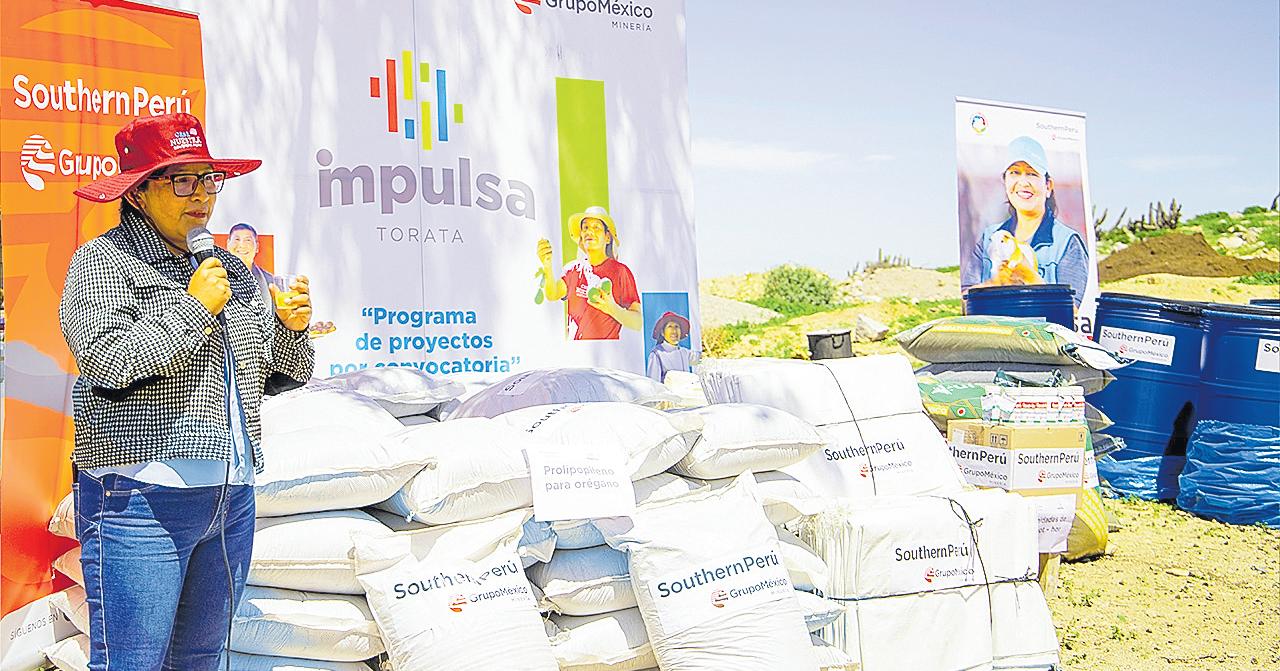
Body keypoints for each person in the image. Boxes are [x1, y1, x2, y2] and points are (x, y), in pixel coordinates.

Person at [59, 113, 314, 670]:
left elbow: (273, 375)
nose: (200, 195)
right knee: (133, 662)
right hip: (140, 500)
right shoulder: (103, 261)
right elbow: (105, 360)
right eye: (181, 180)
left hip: (231, 497)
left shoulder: (231, 271)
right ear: (138, 193)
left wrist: (292, 331)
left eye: (208, 179)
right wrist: (194, 309)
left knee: (202, 660)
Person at [963, 136, 1090, 306]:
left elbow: (1071, 310)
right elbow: (965, 300)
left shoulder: (1067, 243)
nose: (1023, 182)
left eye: (1032, 173)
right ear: (1005, 182)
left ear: (1048, 186)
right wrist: (997, 283)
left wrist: (1028, 275)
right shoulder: (989, 238)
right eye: (1015, 173)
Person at [536, 205, 642, 340]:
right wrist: (547, 265)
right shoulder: (573, 270)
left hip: (607, 351)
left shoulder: (621, 272)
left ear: (607, 237)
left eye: (596, 227)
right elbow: (552, 294)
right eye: (585, 227)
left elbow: (638, 322)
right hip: (575, 350)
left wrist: (612, 308)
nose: (589, 231)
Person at [225, 222, 275, 309]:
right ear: (228, 244)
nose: (242, 245)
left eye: (247, 240)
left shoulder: (270, 281)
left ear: (257, 247)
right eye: (237, 239)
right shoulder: (216, 276)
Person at [646, 311, 693, 382]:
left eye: (677, 326)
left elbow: (700, 361)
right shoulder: (657, 355)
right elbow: (653, 383)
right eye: (670, 326)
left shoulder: (685, 353)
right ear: (662, 332)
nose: (674, 331)